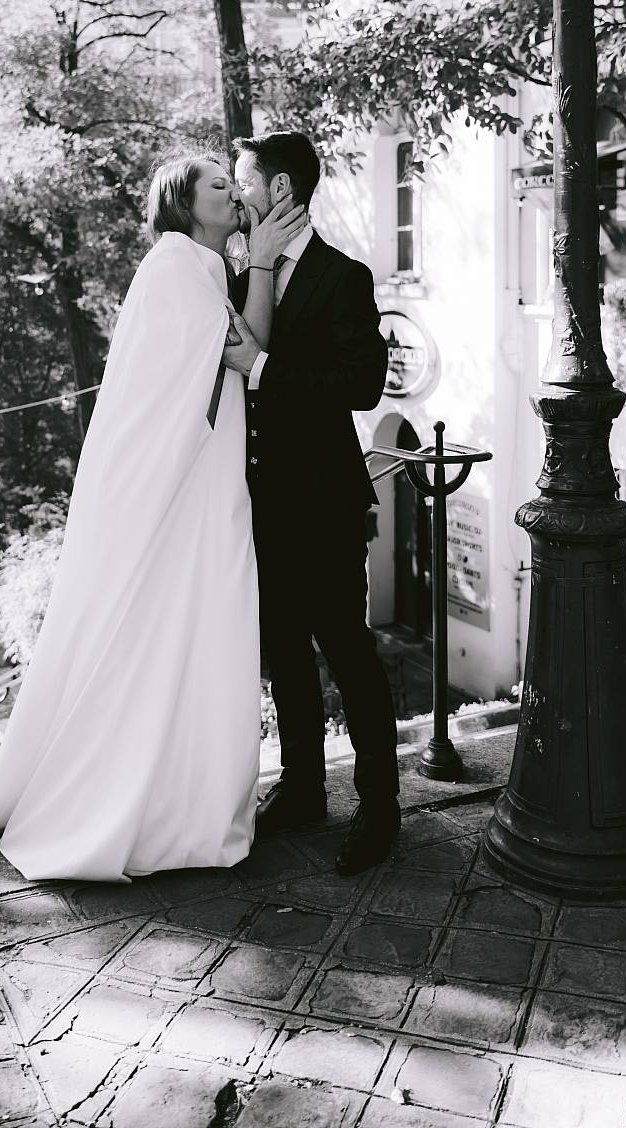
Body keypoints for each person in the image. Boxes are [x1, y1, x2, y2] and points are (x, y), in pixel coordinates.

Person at [0, 151, 305, 881]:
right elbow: (247, 353)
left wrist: (252, 264)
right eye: (217, 185)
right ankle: (155, 804)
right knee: (180, 619)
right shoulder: (176, 265)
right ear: (184, 204)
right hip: (185, 483)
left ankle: (186, 791)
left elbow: (235, 355)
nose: (231, 193)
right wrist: (263, 264)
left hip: (207, 477)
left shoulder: (202, 269)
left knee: (199, 624)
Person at [224, 130, 400, 876]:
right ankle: (301, 789)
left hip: (325, 507)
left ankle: (381, 809)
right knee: (284, 655)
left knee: (349, 654)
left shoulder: (343, 277)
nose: (237, 195)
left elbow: (359, 387)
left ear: (282, 190)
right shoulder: (241, 279)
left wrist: (263, 368)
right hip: (256, 508)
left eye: (244, 183)